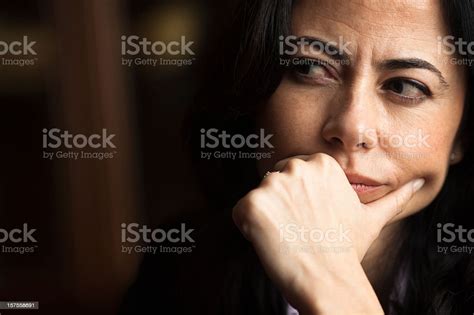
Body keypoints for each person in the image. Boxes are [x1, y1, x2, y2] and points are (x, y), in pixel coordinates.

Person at [121, 0, 474, 314]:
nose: (352, 127)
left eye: (404, 86)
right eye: (310, 68)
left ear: (463, 132)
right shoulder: (176, 272)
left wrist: (333, 289)